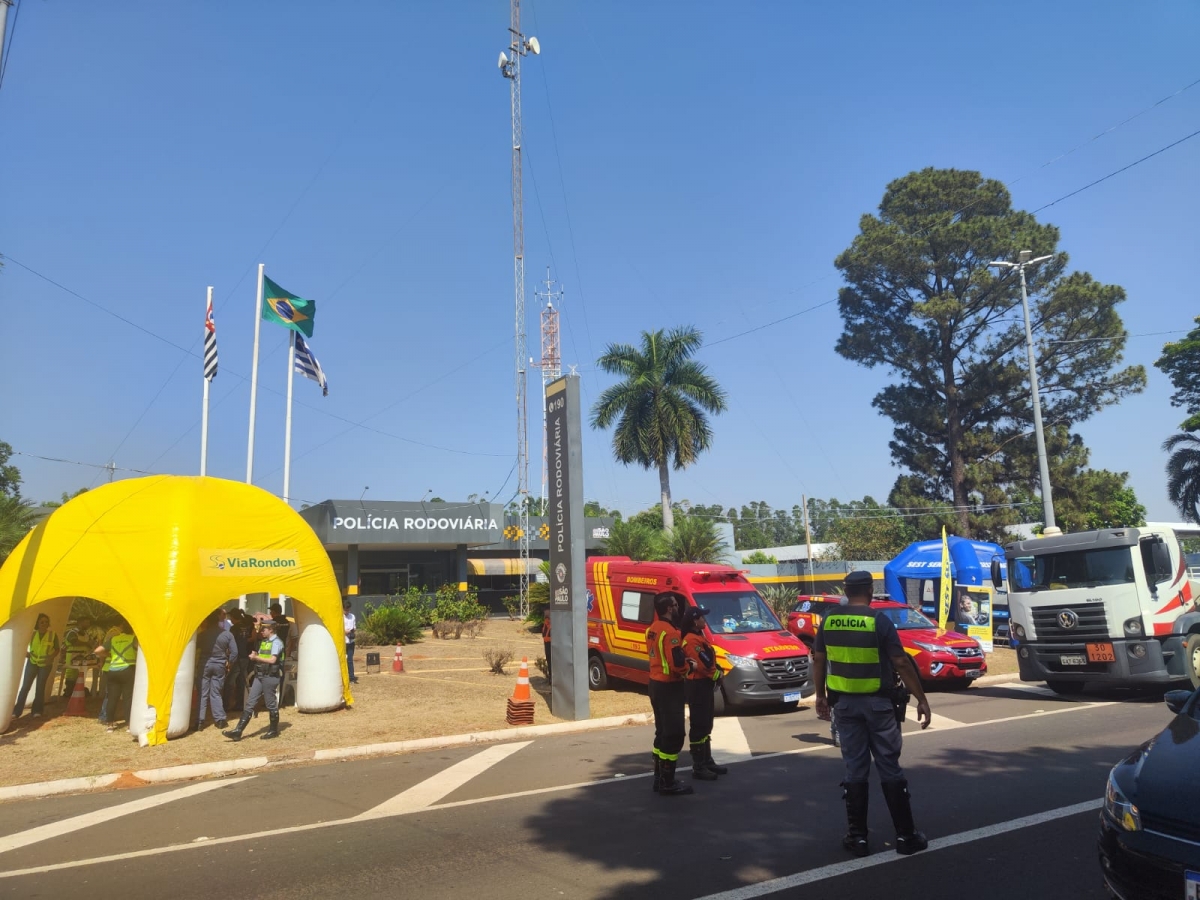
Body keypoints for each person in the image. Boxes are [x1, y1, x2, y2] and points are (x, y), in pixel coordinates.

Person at [813, 570, 932, 857]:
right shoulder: (879, 620)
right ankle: (905, 836)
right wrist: (922, 698)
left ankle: (858, 839)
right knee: (889, 767)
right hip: (878, 705)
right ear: (869, 590)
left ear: (846, 590)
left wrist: (819, 696)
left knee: (855, 769)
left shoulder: (829, 619)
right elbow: (901, 662)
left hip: (843, 706)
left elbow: (819, 659)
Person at [645, 591, 693, 796]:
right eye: (674, 604)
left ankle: (659, 778)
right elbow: (677, 663)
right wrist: (689, 667)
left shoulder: (652, 629)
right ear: (667, 608)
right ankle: (667, 781)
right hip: (669, 686)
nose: (677, 607)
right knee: (674, 735)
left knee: (662, 732)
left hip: (654, 683)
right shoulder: (671, 633)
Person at [681, 606, 728, 782]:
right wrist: (718, 675)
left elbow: (710, 660)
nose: (704, 620)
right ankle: (698, 765)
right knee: (699, 726)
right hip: (697, 685)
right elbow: (702, 664)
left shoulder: (699, 636)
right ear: (695, 620)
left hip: (705, 685)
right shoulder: (691, 641)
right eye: (702, 617)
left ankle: (707, 760)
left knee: (706, 724)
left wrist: (718, 671)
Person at [224, 618, 284, 741]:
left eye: (264, 629)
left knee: (270, 703)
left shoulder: (277, 642)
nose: (261, 631)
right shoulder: (264, 641)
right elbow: (262, 656)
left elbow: (272, 660)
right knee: (250, 702)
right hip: (260, 675)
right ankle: (238, 731)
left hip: (270, 676)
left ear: (271, 630)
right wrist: (256, 656)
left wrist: (256, 657)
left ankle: (273, 730)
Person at [12, 614, 61, 719]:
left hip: (45, 664)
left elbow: (57, 649)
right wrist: (26, 653)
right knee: (25, 687)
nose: (44, 624)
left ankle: (37, 710)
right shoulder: (33, 634)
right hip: (32, 662)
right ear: (37, 624)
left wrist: (51, 657)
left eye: (46, 622)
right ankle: (16, 711)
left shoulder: (52, 635)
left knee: (40, 687)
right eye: (42, 622)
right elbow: (22, 643)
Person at [196, 611, 238, 730]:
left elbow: (194, 648)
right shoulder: (227, 635)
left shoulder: (202, 635)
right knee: (216, 692)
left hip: (205, 664)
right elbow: (234, 652)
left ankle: (199, 721)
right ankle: (220, 720)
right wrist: (229, 663)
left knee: (202, 693)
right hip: (220, 664)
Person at [96, 620, 137, 733]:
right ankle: (129, 725)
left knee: (112, 698)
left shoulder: (114, 639)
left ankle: (109, 725)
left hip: (113, 670)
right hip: (128, 670)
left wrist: (109, 654)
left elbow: (98, 651)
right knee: (128, 698)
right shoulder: (133, 638)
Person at [61, 614, 96, 699]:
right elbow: (74, 641)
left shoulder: (86, 633)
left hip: (83, 658)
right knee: (71, 677)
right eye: (86, 622)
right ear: (80, 623)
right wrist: (87, 644)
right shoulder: (72, 632)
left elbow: (91, 642)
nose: (88, 624)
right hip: (72, 658)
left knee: (80, 677)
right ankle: (68, 692)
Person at [343, 599, 358, 684]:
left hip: (351, 641)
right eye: (345, 609)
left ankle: (351, 678)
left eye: (348, 610)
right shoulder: (340, 617)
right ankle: (343, 678)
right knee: (343, 660)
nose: (347, 611)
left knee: (350, 659)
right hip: (343, 641)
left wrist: (352, 630)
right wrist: (345, 631)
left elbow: (354, 626)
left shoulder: (352, 616)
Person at [542, 611, 552, 682]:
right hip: (548, 649)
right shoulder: (545, 627)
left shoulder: (553, 627)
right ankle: (550, 678)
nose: (547, 621)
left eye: (548, 619)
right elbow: (545, 638)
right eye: (546, 619)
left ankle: (551, 678)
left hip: (552, 649)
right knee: (549, 664)